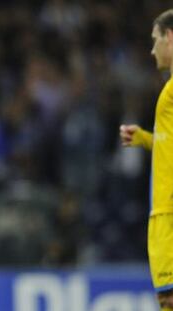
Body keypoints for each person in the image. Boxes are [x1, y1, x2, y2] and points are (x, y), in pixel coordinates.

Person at [120, 9, 173, 311]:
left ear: (170, 37)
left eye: (155, 40)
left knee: (169, 298)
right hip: (163, 211)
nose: (152, 50)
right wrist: (144, 139)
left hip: (169, 212)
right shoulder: (169, 90)